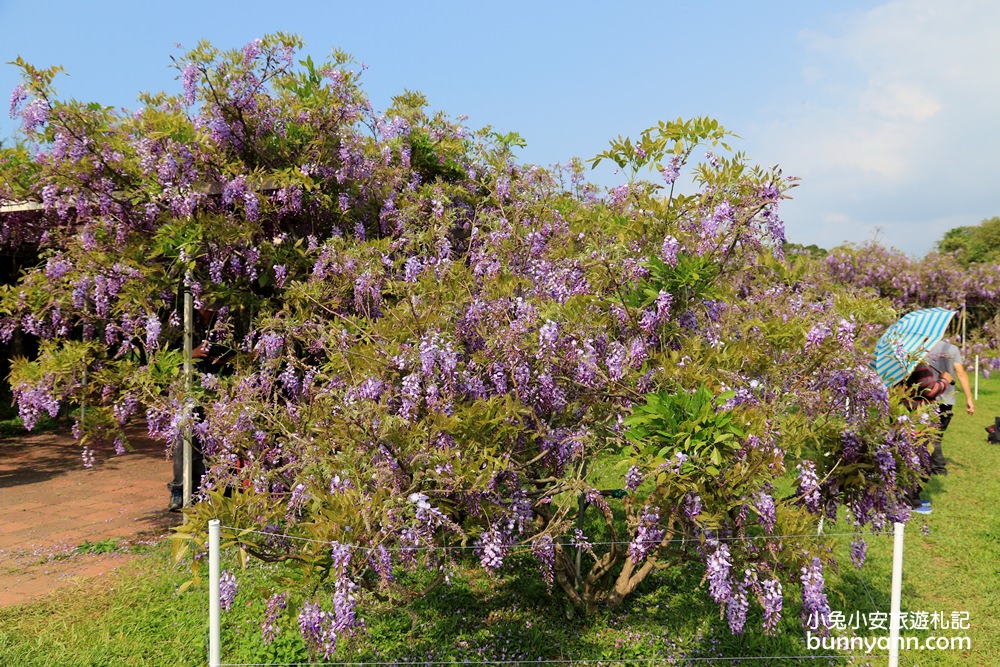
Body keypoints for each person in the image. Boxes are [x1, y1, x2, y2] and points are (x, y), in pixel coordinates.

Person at [167, 306, 233, 511]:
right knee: (183, 441)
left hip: (212, 390)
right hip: (184, 388)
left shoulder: (221, 327)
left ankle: (207, 488)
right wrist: (191, 353)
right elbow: (167, 357)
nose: (208, 308)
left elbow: (228, 357)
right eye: (204, 303)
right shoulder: (182, 325)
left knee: (209, 441)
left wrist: (219, 360)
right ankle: (179, 490)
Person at [901, 361, 952, 515]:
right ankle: (910, 501)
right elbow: (931, 390)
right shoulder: (919, 365)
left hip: (906, 419)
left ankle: (911, 497)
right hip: (918, 424)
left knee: (913, 461)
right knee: (921, 464)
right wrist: (945, 381)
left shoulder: (903, 365)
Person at [926, 339, 975, 475]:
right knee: (936, 435)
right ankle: (934, 466)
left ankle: (939, 468)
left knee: (932, 436)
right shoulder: (952, 348)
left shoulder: (921, 349)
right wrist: (969, 398)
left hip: (928, 397)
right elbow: (961, 373)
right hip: (948, 398)